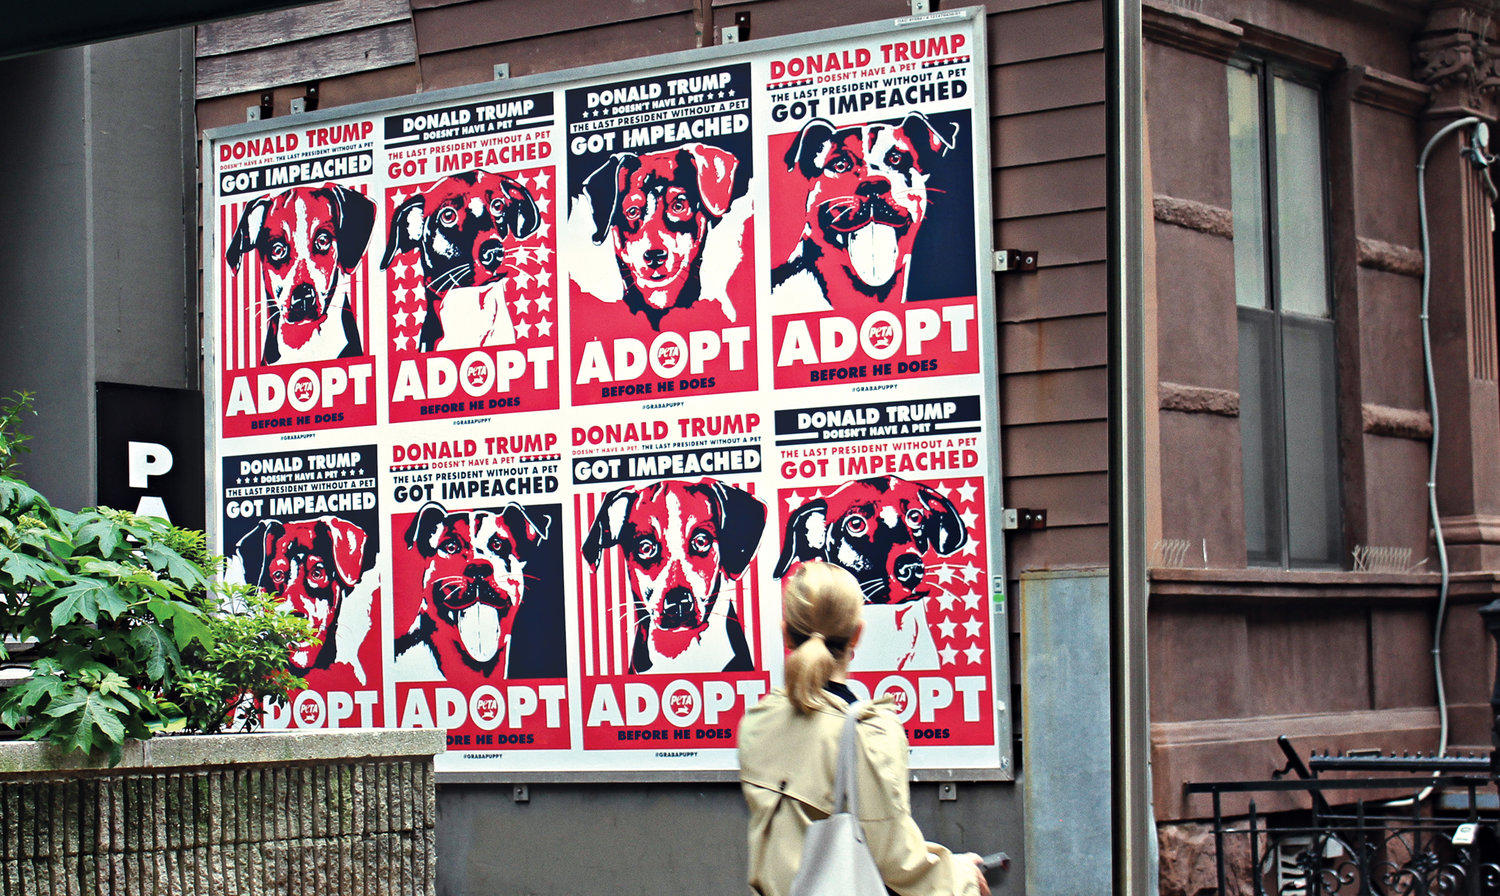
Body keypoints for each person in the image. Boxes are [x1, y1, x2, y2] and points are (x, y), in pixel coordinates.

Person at [738, 561, 990, 896]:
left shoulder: (757, 723)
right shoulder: (868, 732)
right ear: (857, 634)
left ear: (785, 633)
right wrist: (963, 876)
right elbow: (896, 858)